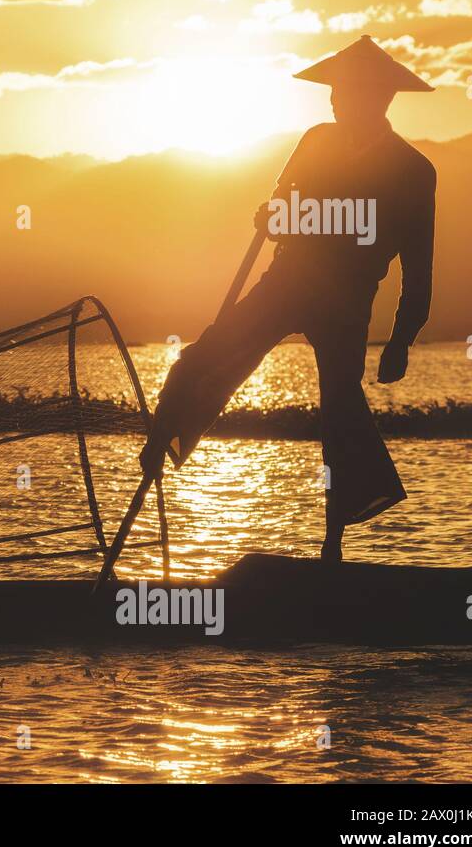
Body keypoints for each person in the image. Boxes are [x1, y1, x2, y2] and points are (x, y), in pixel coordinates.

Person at [140, 36, 437, 562]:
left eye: (346, 93)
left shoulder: (412, 170)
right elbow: (280, 210)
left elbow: (418, 264)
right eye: (334, 93)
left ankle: (333, 544)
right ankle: (160, 442)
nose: (335, 101)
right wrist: (272, 217)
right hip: (286, 281)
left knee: (341, 411)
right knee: (206, 355)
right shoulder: (316, 140)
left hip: (347, 299)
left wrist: (402, 339)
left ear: (379, 98)